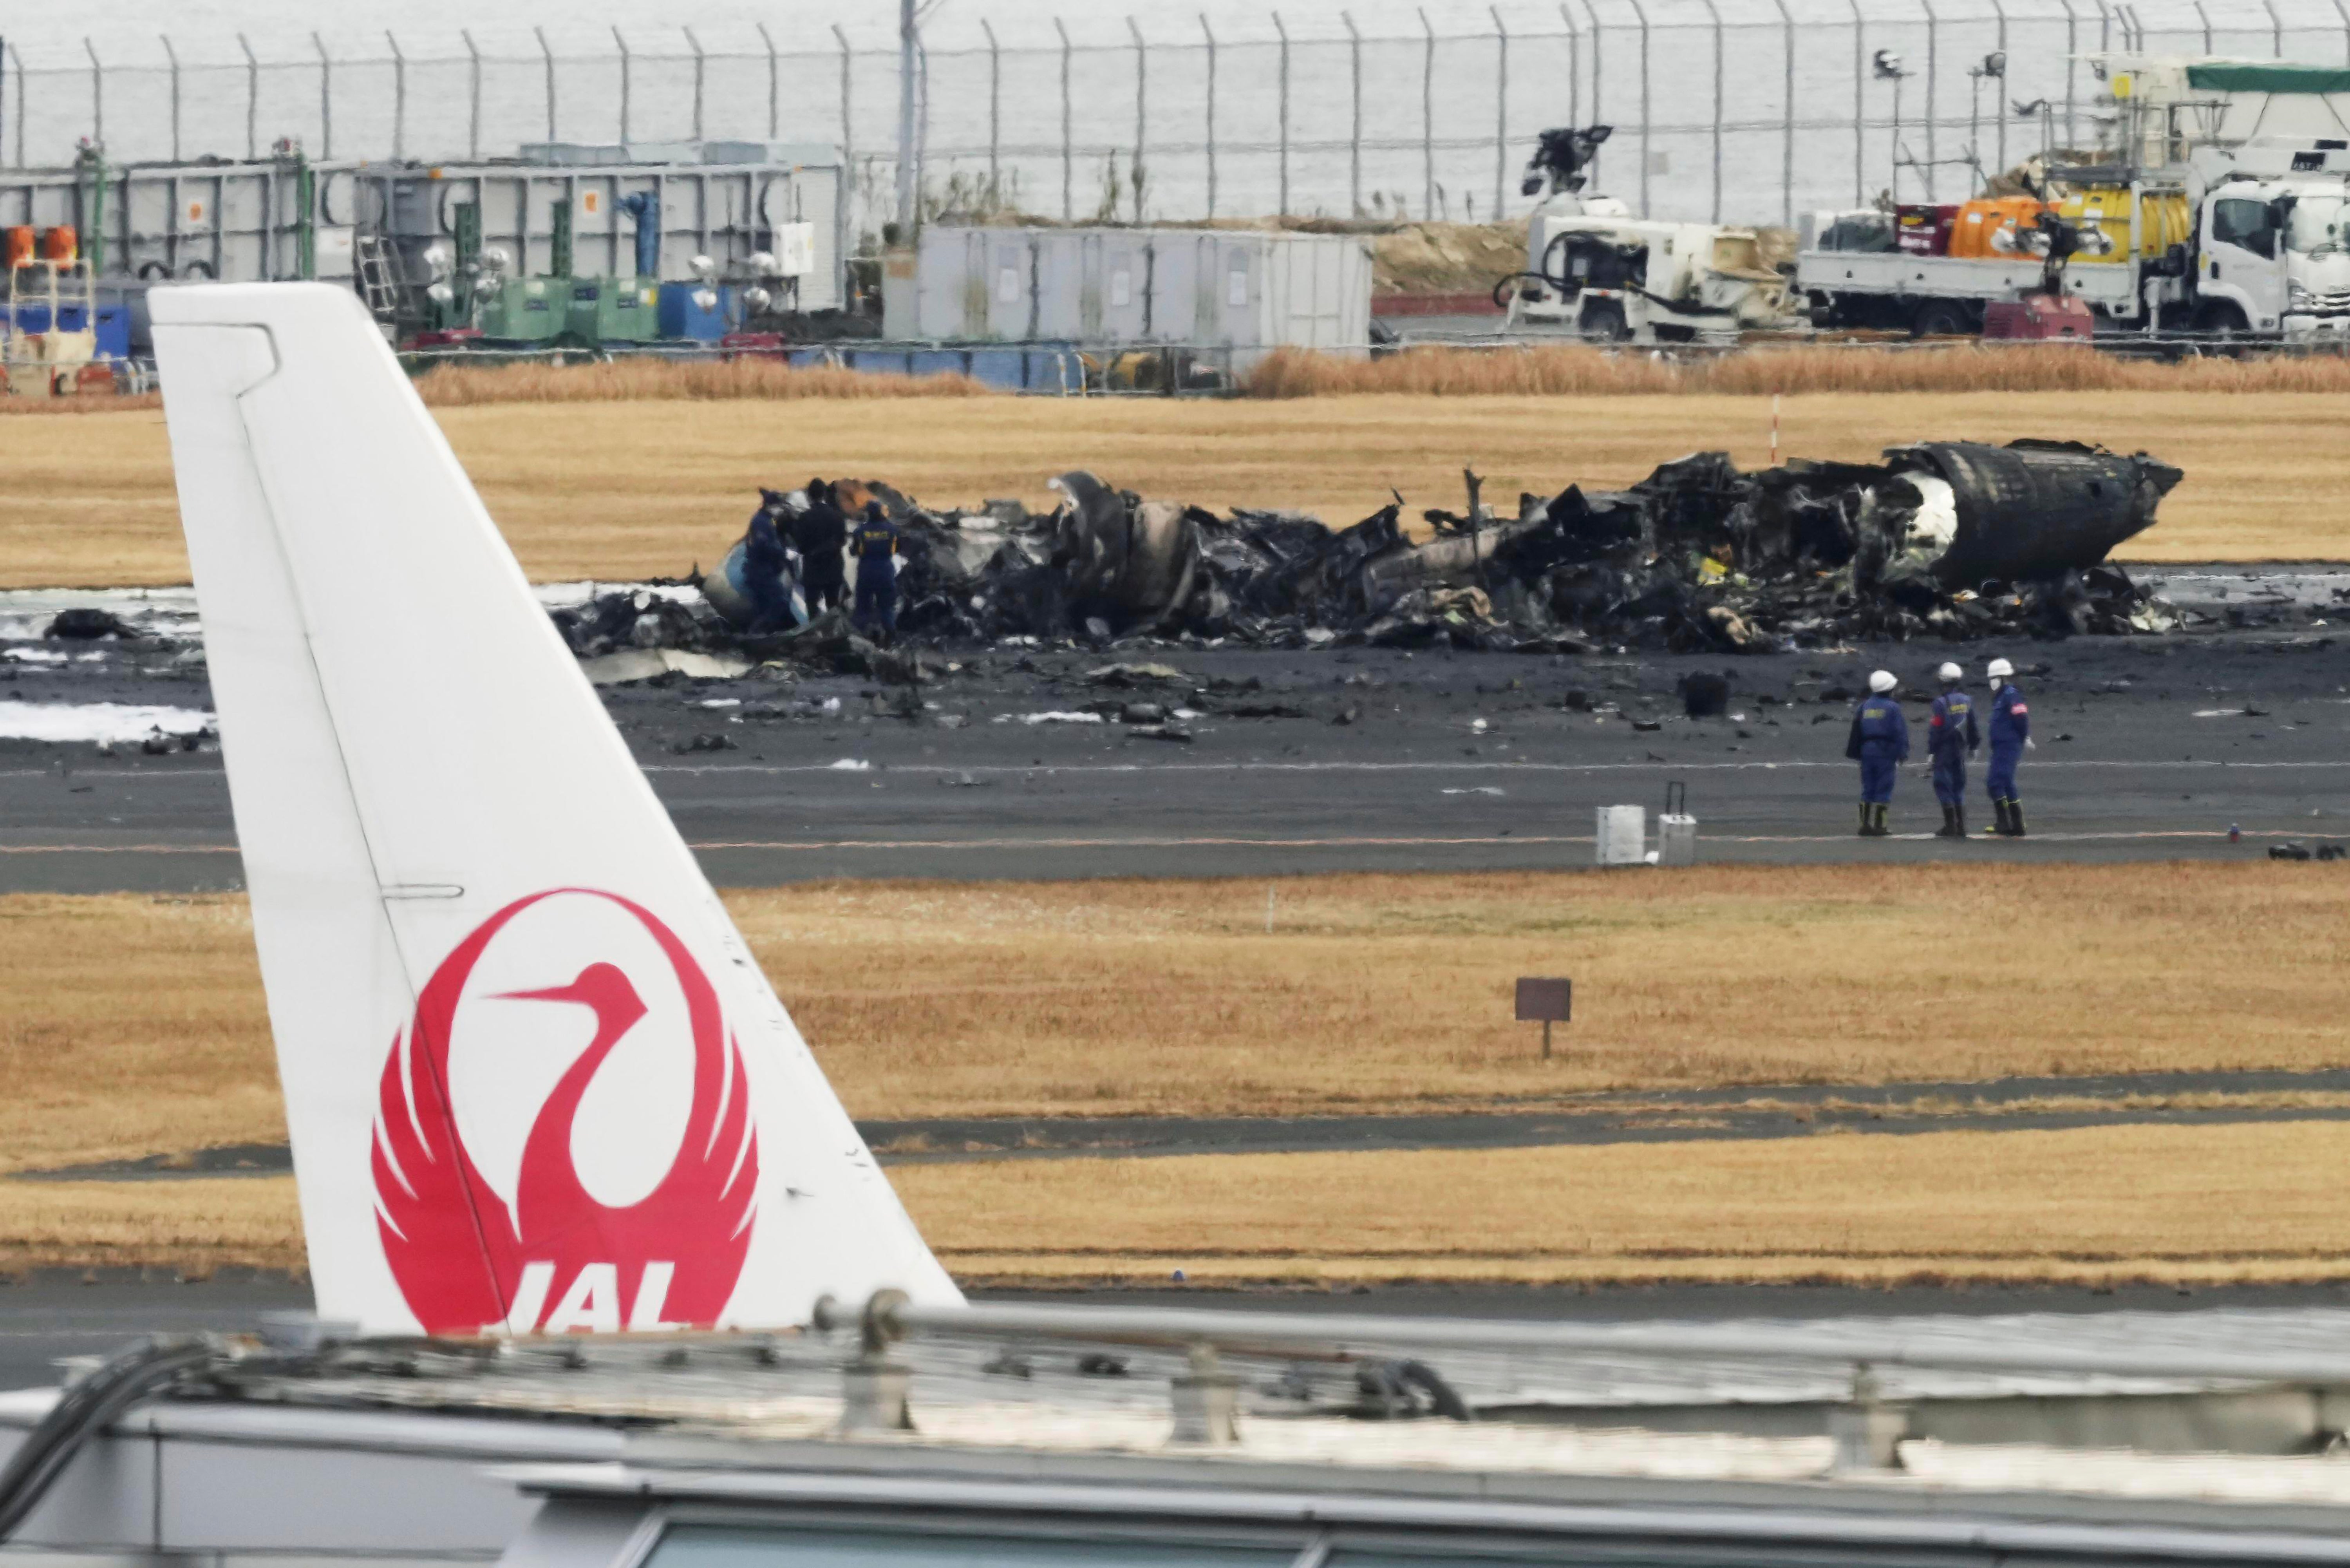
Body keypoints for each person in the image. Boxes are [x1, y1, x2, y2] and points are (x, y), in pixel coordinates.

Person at [1845, 669, 1909, 837]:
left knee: (1868, 788)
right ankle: (1880, 826)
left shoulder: (1864, 707)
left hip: (1867, 751)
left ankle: (1864, 825)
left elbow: (1856, 732)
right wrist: (1902, 753)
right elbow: (1899, 732)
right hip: (1885, 751)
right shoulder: (1893, 708)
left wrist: (1857, 754)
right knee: (1884, 787)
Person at [1926, 660, 1980, 839]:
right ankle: (1962, 826)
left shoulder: (1940, 704)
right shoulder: (1967, 700)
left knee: (1942, 784)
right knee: (1959, 785)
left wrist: (1932, 752)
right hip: (1960, 748)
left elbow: (1937, 728)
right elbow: (1972, 725)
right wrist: (1974, 745)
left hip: (1944, 749)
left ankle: (1951, 826)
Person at [1983, 656, 2032, 837]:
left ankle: (2006, 823)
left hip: (2009, 745)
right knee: (2007, 782)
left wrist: (2024, 736)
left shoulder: (2010, 695)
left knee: (1996, 782)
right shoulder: (2002, 697)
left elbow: (2021, 717)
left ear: (2002, 678)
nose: (1992, 683)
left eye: (1993, 679)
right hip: (2001, 746)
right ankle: (2016, 824)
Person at [740, 489, 796, 632]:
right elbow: (763, 545)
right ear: (770, 506)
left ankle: (759, 634)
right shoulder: (762, 523)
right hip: (761, 572)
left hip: (760, 570)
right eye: (778, 507)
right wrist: (784, 553)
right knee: (779, 603)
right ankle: (756, 634)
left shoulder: (765, 520)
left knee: (763, 607)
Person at [792, 478, 849, 616]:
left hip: (813, 569)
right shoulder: (837, 516)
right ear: (824, 495)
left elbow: (801, 546)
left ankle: (815, 635)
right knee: (833, 606)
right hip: (833, 567)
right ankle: (834, 635)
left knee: (812, 608)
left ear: (809, 496)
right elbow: (842, 540)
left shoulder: (805, 517)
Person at [850, 500, 902, 641]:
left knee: (862, 608)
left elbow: (853, 551)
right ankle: (891, 637)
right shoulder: (891, 530)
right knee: (886, 608)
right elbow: (898, 548)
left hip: (866, 572)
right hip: (886, 571)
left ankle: (861, 640)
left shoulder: (861, 531)